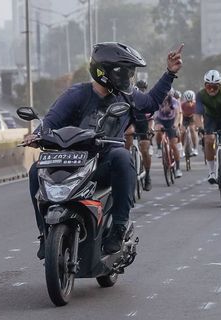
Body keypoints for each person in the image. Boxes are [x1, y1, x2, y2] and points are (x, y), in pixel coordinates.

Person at [24, 42, 183, 258]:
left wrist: (169, 74)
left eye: (130, 72)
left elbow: (151, 102)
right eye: (124, 72)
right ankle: (44, 233)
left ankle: (118, 227)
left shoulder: (127, 95)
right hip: (72, 162)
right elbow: (50, 121)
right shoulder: (76, 94)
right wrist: (36, 135)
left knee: (122, 155)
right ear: (106, 72)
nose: (129, 78)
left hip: (103, 164)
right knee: (36, 170)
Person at [124, 79, 154, 191]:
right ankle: (127, 164)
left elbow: (151, 120)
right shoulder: (127, 102)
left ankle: (147, 176)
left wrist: (150, 129)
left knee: (145, 149)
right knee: (127, 137)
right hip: (132, 124)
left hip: (144, 125)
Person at [180, 90, 198, 156]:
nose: (189, 103)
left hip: (192, 117)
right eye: (187, 101)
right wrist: (180, 124)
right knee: (183, 131)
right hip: (183, 117)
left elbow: (197, 115)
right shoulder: (181, 105)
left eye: (191, 101)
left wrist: (197, 125)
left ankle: (195, 148)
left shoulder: (196, 104)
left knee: (192, 129)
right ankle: (181, 148)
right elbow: (180, 114)